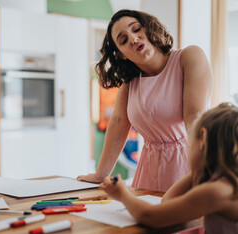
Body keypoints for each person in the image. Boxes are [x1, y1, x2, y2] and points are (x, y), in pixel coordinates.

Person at [77, 9, 212, 192]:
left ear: (148, 28)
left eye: (136, 29)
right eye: (123, 40)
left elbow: (194, 116)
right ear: (121, 54)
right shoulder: (131, 80)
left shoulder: (188, 57)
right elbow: (118, 122)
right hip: (148, 169)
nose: (134, 39)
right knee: (141, 219)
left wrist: (206, 169)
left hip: (188, 164)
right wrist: (100, 174)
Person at [100, 103, 238, 234]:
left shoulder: (216, 192)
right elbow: (167, 201)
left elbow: (152, 217)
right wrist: (198, 171)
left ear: (202, 138)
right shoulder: (226, 184)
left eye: (190, 145)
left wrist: (122, 194)